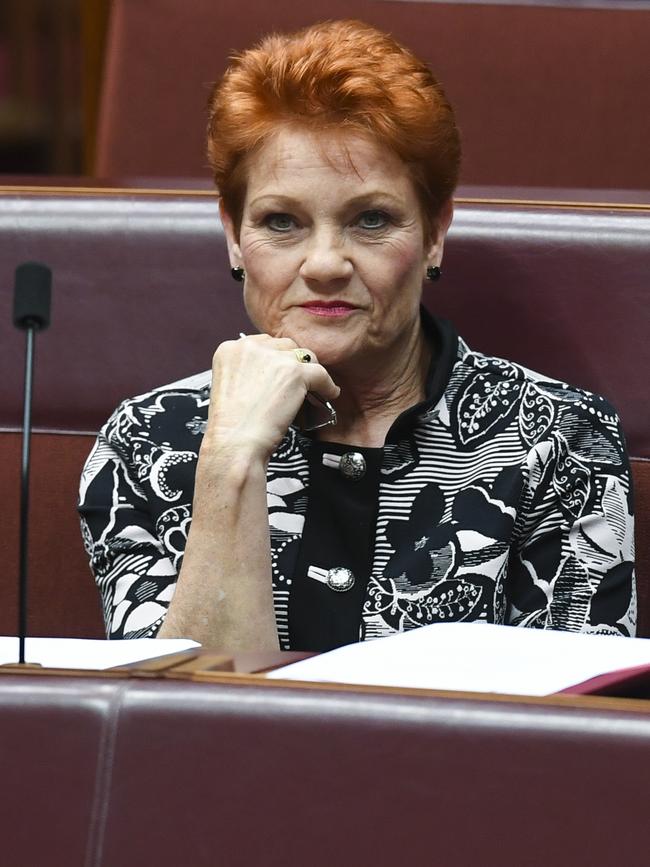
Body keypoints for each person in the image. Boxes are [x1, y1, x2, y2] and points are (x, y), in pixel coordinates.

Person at [78, 19, 636, 650]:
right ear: (234, 234)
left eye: (371, 220)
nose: (323, 264)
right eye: (281, 221)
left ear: (433, 232)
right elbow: (177, 729)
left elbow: (573, 728)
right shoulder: (149, 442)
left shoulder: (557, 440)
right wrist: (232, 459)